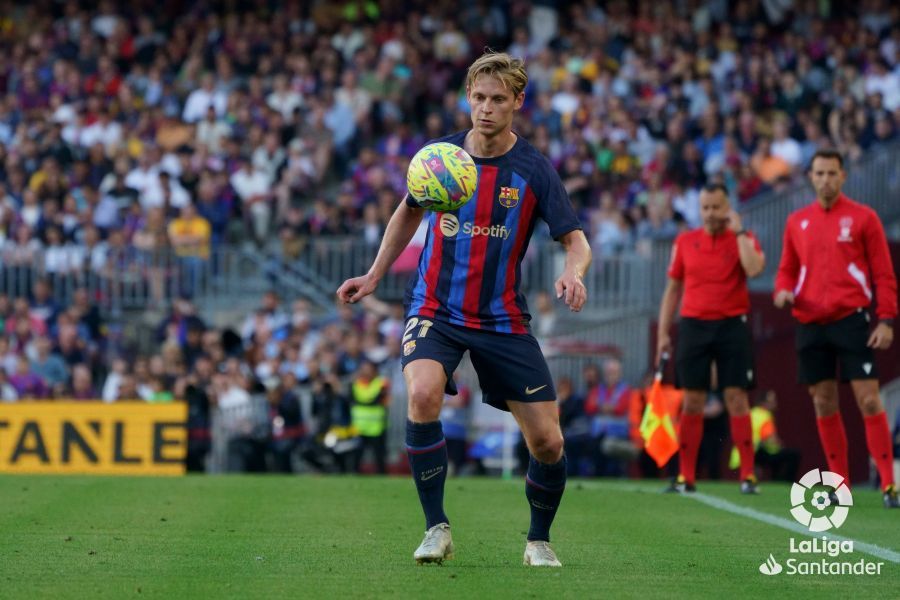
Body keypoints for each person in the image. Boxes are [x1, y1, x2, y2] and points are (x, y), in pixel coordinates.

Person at [337, 51, 591, 567]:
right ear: (467, 99)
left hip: (501, 319)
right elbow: (406, 215)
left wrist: (573, 272)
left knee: (547, 440)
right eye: (478, 98)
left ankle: (538, 540)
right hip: (436, 308)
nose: (486, 109)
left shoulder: (534, 170)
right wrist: (375, 274)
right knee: (424, 394)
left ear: (518, 102)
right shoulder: (439, 159)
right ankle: (436, 528)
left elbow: (577, 240)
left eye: (499, 99)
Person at [774, 149, 898, 508]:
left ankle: (889, 484)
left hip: (851, 320)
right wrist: (782, 290)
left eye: (832, 173)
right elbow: (786, 269)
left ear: (843, 176)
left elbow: (884, 274)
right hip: (810, 322)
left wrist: (886, 319)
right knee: (823, 401)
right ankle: (839, 486)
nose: (826, 179)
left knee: (869, 398)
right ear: (811, 177)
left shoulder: (864, 218)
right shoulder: (797, 221)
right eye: (819, 173)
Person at [657, 183, 766, 494]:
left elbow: (755, 269)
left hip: (732, 324)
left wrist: (741, 231)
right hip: (693, 325)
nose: (710, 214)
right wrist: (664, 333)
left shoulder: (742, 238)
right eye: (705, 208)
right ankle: (685, 477)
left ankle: (748, 475)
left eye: (716, 207)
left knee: (736, 398)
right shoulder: (685, 241)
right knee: (692, 401)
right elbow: (672, 290)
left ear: (727, 208)